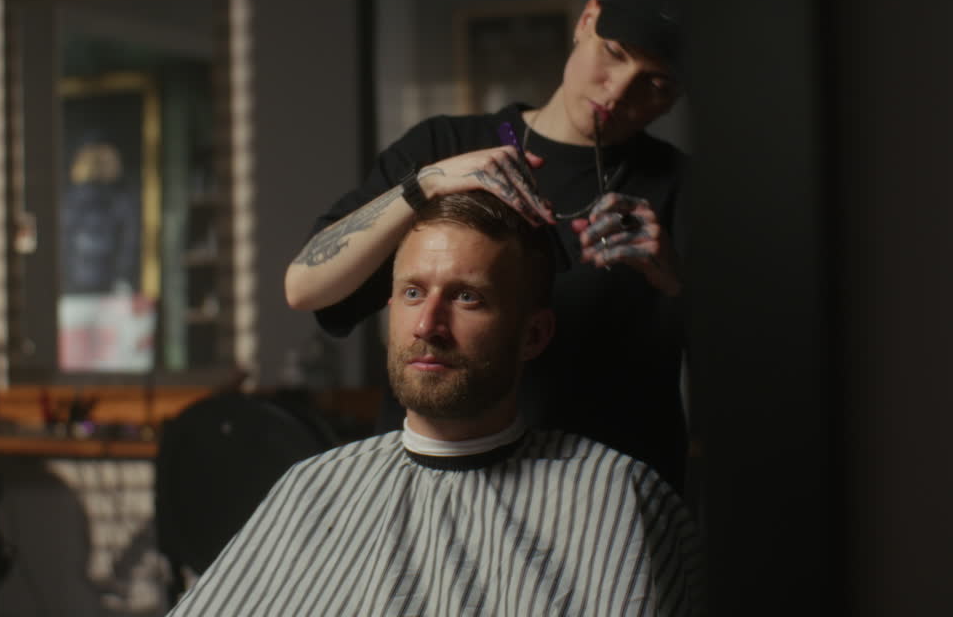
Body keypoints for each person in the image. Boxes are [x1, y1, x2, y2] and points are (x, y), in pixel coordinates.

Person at [172, 192, 704, 616]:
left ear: (533, 335)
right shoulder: (312, 487)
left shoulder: (619, 497)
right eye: (412, 293)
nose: (428, 325)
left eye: (467, 297)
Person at [284, 0, 691, 490]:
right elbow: (305, 286)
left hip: (607, 508)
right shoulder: (442, 147)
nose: (618, 92)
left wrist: (675, 279)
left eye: (655, 85)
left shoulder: (683, 189)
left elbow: (763, 376)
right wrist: (423, 184)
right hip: (436, 494)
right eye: (613, 54)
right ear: (587, 20)